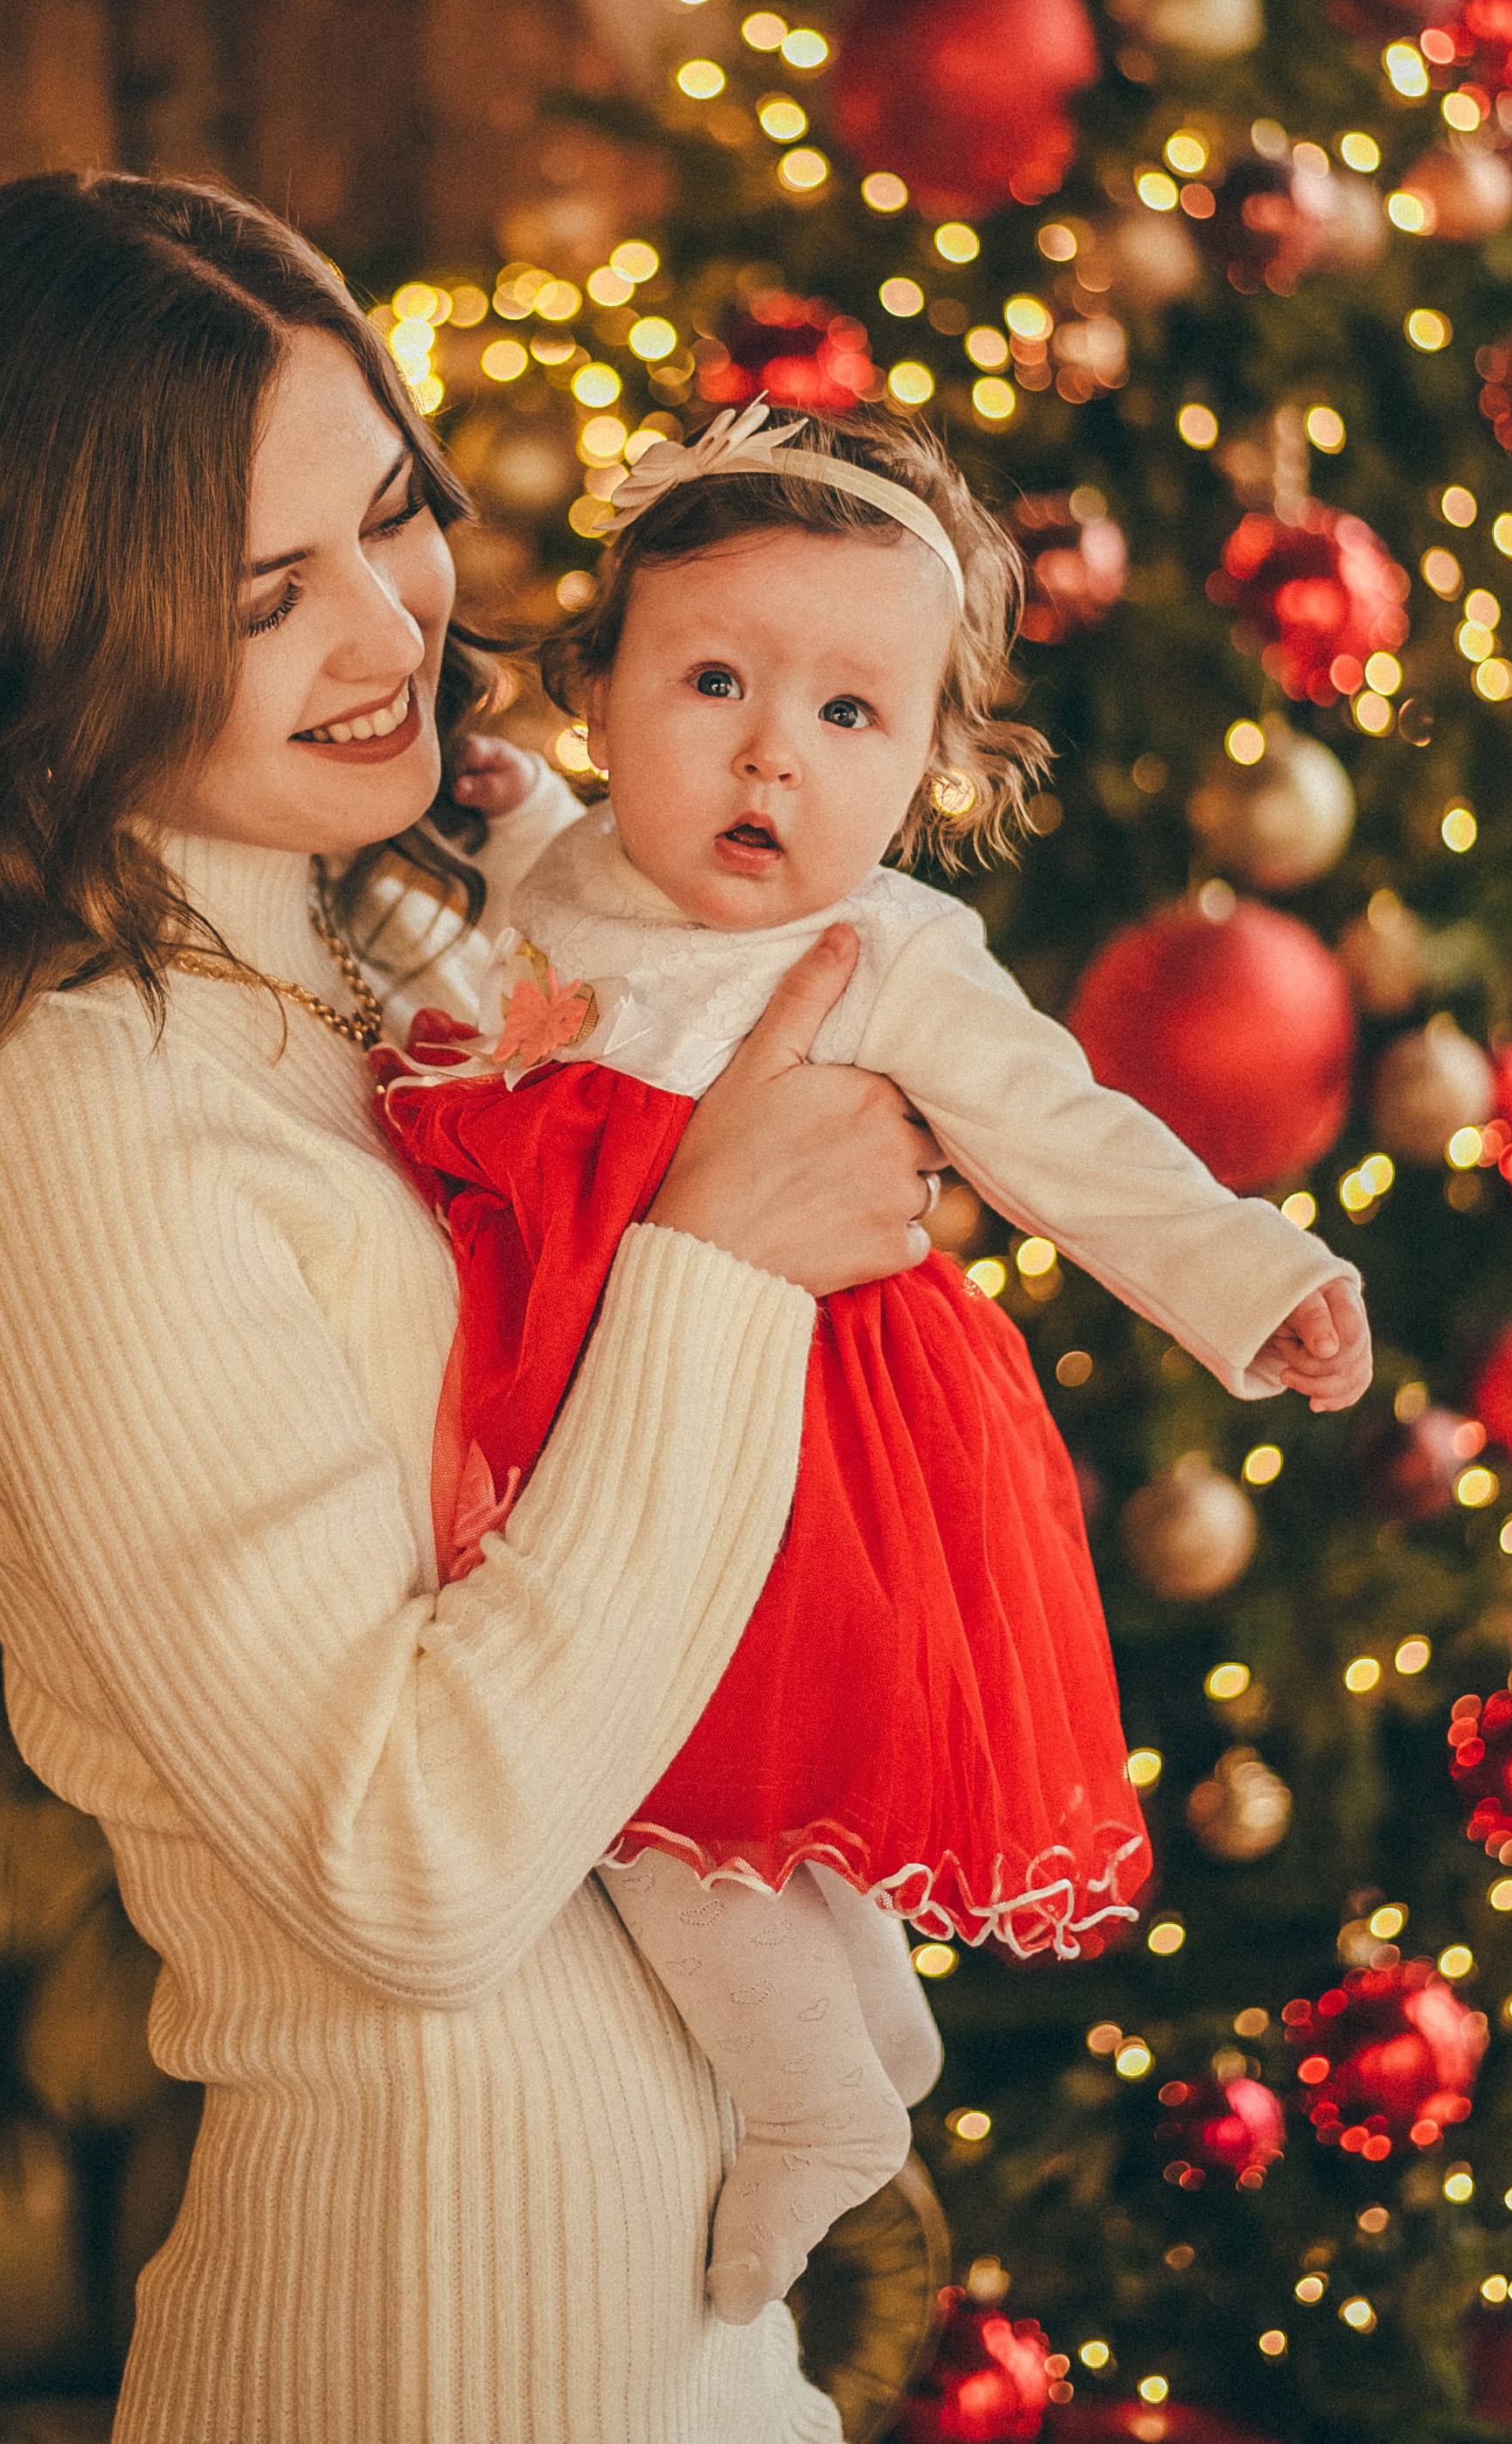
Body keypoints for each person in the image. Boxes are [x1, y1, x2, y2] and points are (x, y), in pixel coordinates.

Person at [0, 173, 952, 2444]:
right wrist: (715, 1269)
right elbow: (412, 1868)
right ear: (45, 635)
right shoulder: (58, 1110)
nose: (389, 626)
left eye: (392, 514)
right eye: (263, 594)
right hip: (431, 2332)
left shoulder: (372, 947)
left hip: (670, 2328)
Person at [385, 399, 1374, 2328]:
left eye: (850, 714)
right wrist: (497, 808)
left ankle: (811, 2105)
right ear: (599, 690)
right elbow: (528, 897)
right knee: (734, 1784)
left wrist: (1249, 1278)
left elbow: (1065, 1132)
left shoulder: (887, 949)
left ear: (931, 767)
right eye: (713, 682)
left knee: (654, 1780)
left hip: (786, 1434)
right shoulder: (566, 868)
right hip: (594, 1392)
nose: (772, 749)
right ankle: (868, 2027)